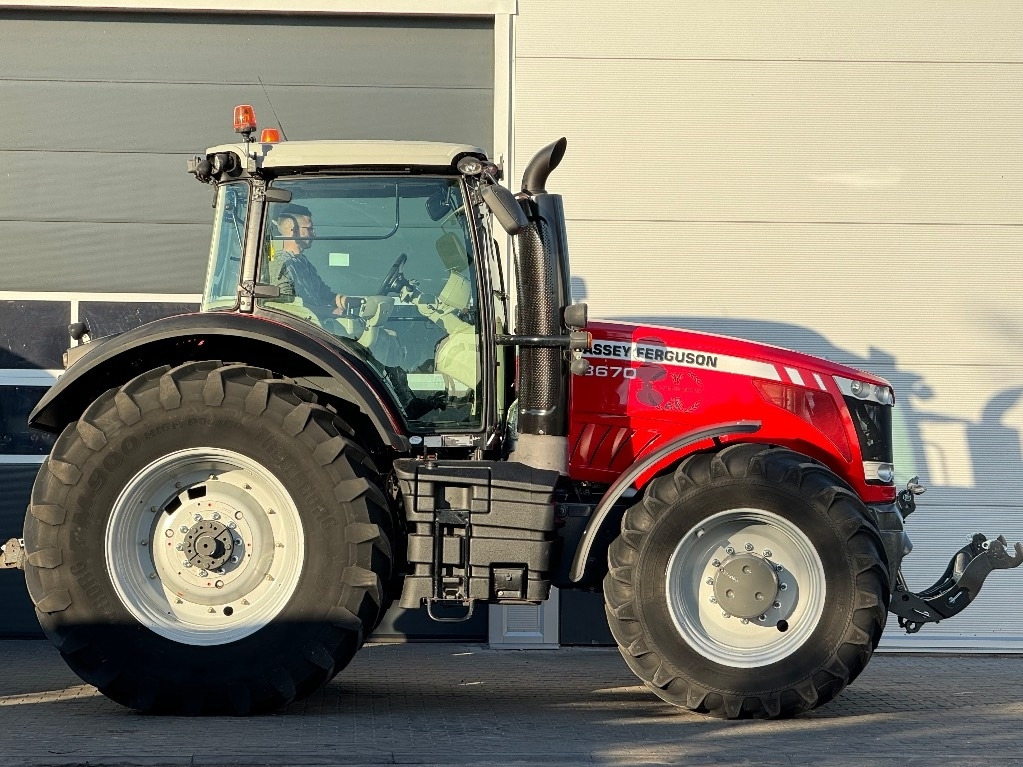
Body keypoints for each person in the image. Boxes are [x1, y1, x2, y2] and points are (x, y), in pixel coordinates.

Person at [268, 204, 347, 316]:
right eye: (309, 229)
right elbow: (288, 307)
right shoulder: (282, 264)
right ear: (293, 231)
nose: (314, 234)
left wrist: (355, 302)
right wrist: (330, 312)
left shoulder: (304, 263)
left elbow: (325, 295)